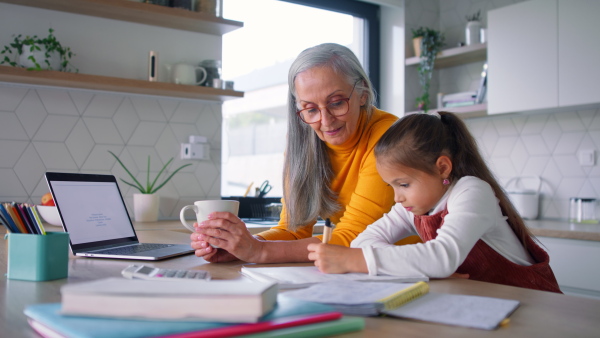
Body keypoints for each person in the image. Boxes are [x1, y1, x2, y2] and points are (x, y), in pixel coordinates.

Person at [191, 43, 420, 263]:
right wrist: (239, 248)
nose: (325, 120)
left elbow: (355, 237)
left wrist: (258, 251)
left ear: (362, 93)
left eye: (337, 103)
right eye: (310, 109)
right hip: (353, 268)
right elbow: (292, 230)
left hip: (407, 265)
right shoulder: (301, 143)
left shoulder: (388, 136)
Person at [307, 111, 562, 293]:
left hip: (531, 302)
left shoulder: (471, 192)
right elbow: (363, 241)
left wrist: (351, 260)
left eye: (404, 184)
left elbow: (441, 257)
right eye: (392, 186)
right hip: (486, 301)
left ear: (442, 168)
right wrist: (425, 268)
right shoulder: (413, 207)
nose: (397, 197)